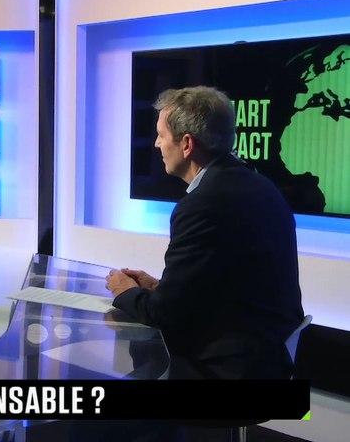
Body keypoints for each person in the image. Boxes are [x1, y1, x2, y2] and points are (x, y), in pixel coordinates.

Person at [105, 86, 303, 379]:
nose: (157, 144)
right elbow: (227, 284)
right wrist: (160, 287)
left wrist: (124, 290)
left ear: (186, 144)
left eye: (161, 135)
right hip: (268, 358)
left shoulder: (202, 205)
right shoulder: (259, 185)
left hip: (228, 369)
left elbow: (164, 315)